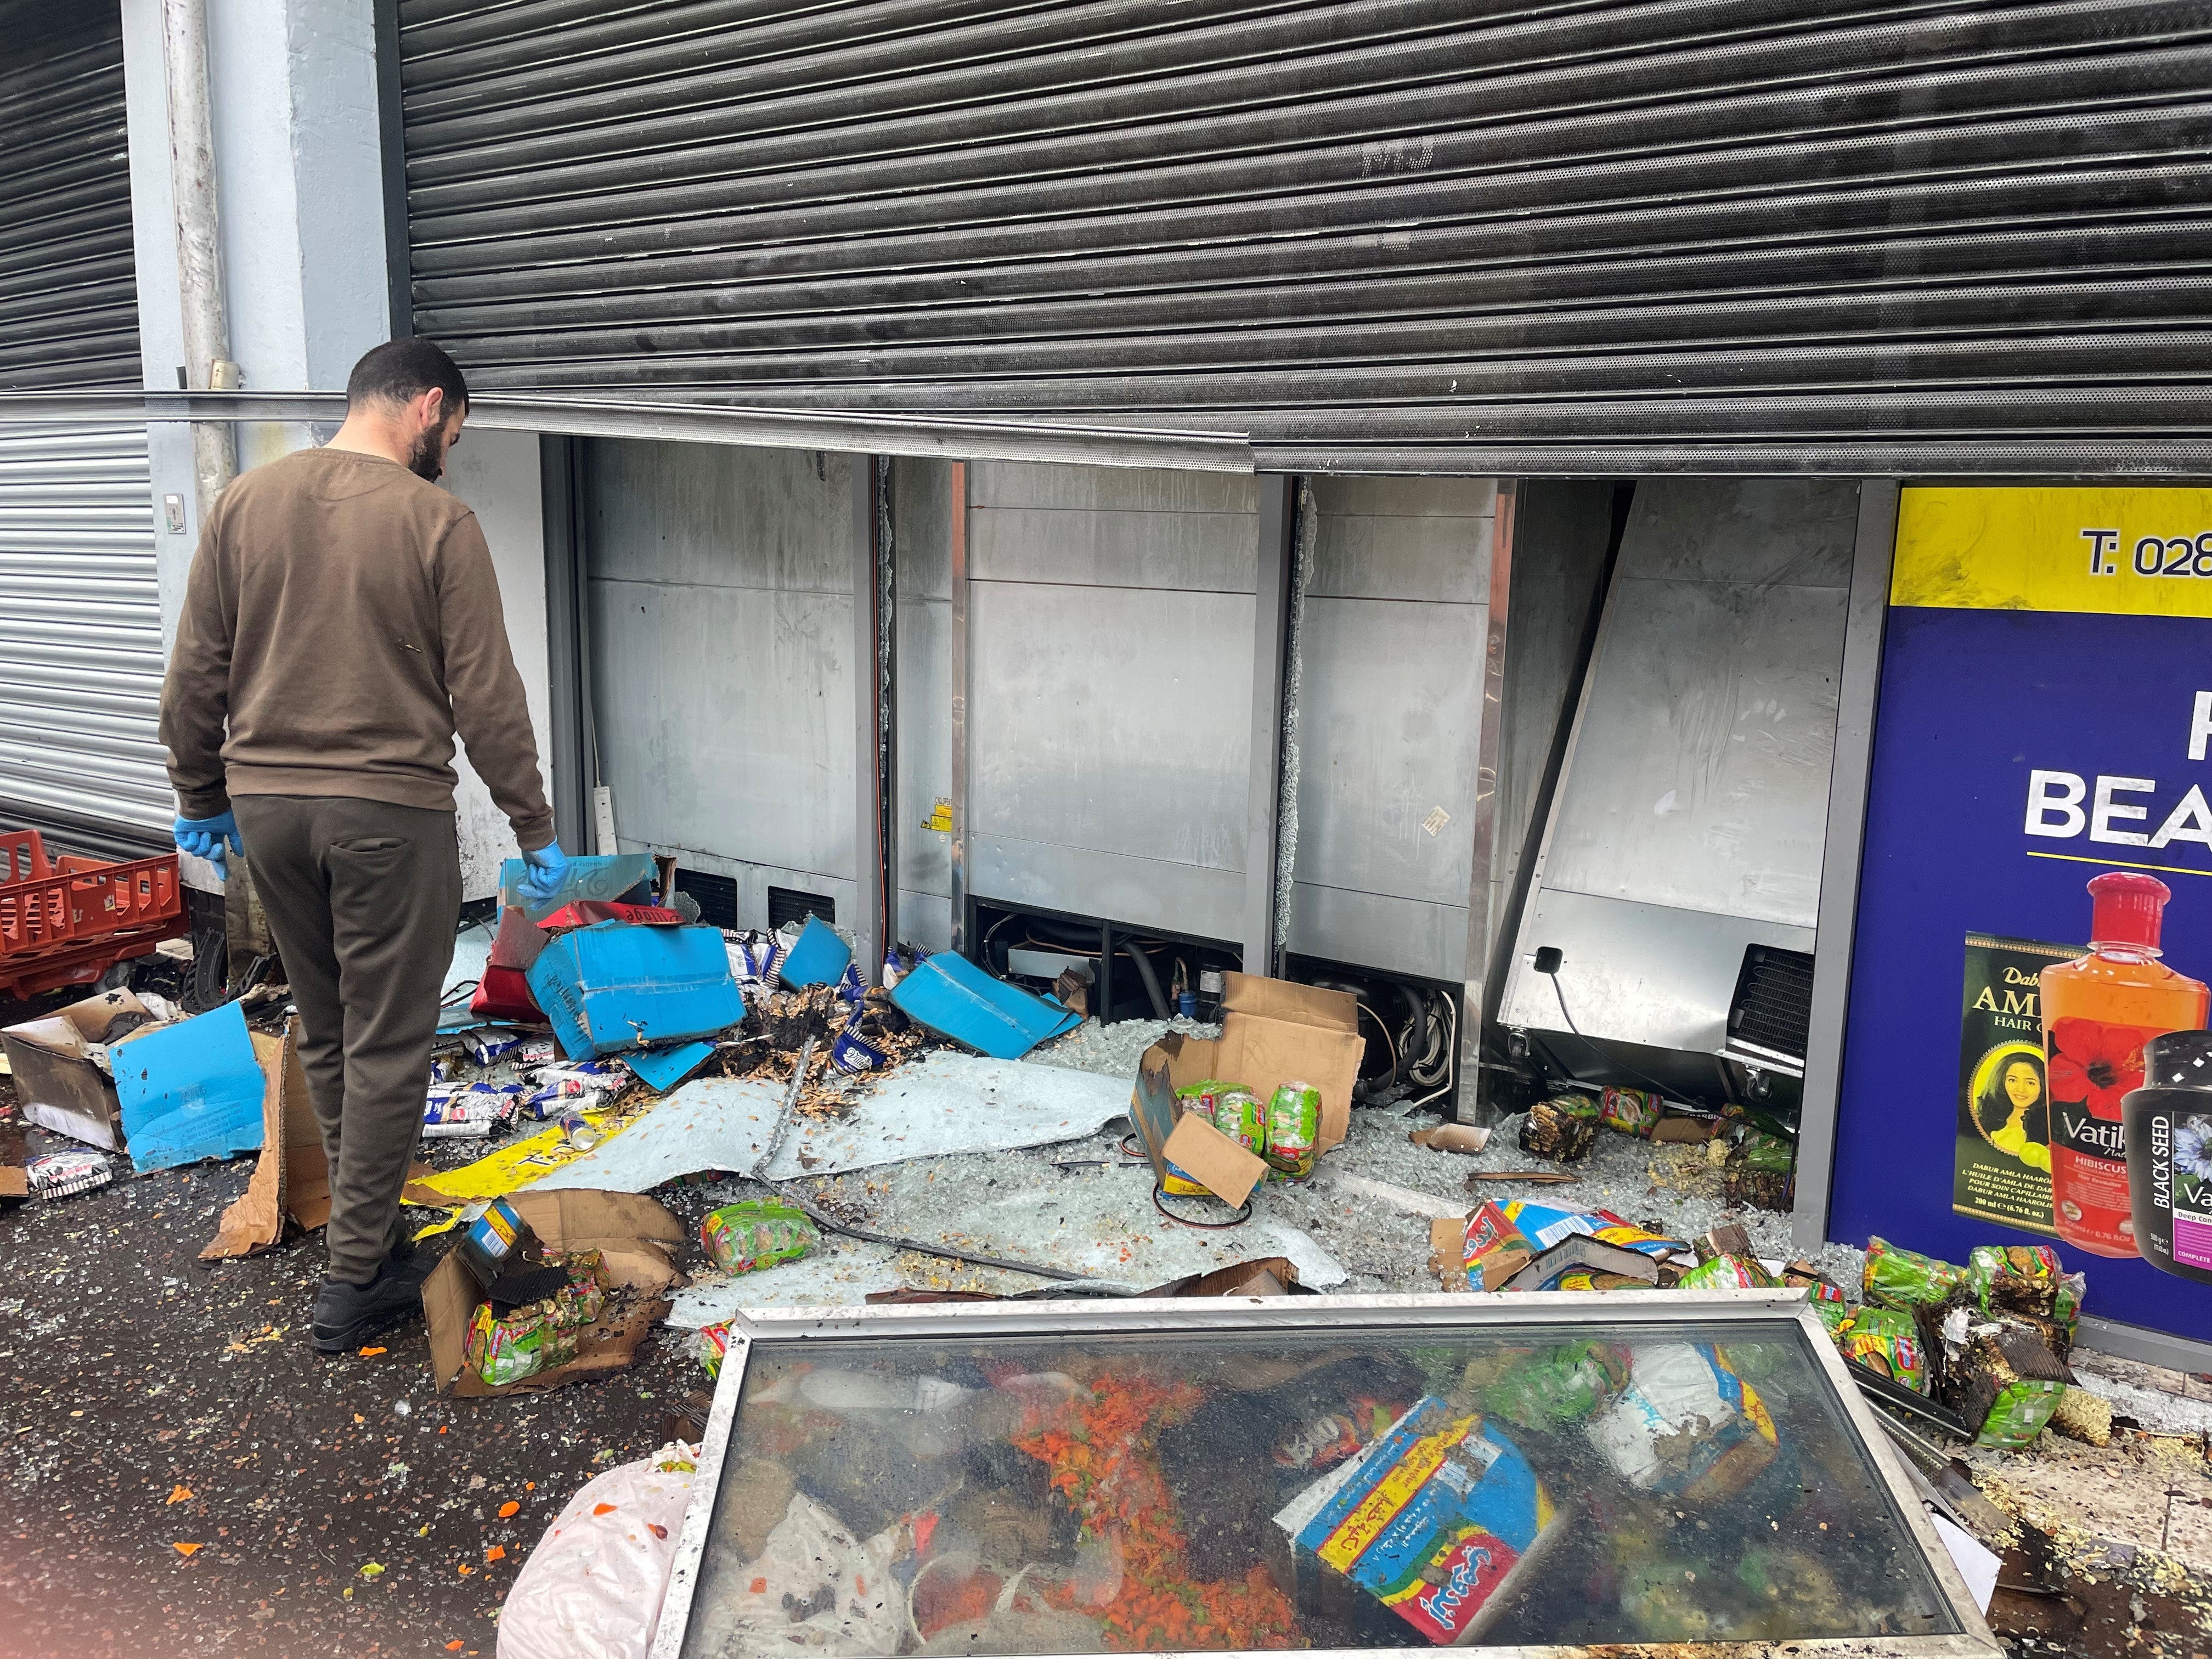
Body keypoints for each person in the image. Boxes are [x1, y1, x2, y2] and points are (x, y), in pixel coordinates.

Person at [159, 338, 569, 1353]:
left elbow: (195, 672)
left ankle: (372, 1232)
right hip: (387, 815)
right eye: (456, 436)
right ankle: (355, 1287)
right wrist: (534, 825)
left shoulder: (245, 505)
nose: (451, 457)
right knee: (390, 1044)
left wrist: (197, 789)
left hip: (267, 815)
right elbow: (488, 697)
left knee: (334, 1030)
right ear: (428, 407)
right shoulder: (436, 521)